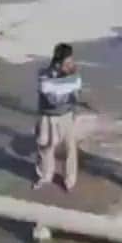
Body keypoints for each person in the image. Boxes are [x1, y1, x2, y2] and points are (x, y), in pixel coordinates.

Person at [36, 43, 82, 191]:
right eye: (68, 62)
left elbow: (76, 95)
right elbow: (53, 100)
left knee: (70, 148)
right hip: (49, 117)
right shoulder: (44, 75)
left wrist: (70, 84)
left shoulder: (72, 74)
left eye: (71, 61)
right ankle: (45, 176)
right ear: (58, 62)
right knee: (46, 148)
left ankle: (70, 180)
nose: (71, 65)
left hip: (67, 116)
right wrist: (69, 86)